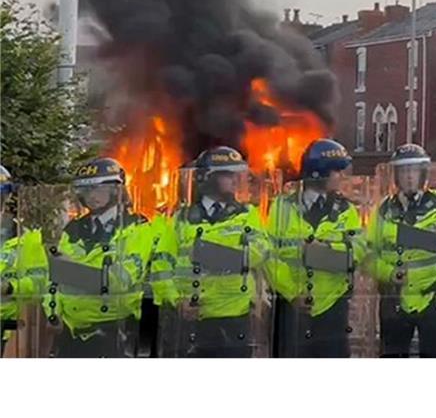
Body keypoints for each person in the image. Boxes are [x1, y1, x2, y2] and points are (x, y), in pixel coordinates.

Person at [152, 146, 270, 357]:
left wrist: (209, 253)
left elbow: (259, 252)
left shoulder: (247, 214)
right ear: (207, 178)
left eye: (236, 174)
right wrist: (176, 300)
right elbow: (161, 263)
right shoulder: (181, 218)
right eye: (227, 174)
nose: (235, 180)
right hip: (192, 314)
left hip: (236, 313)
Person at [43, 157, 155, 357]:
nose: (92, 195)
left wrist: (71, 271)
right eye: (86, 190)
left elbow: (120, 281)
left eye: (98, 189)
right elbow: (53, 280)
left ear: (116, 190)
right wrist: (52, 313)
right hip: (70, 332)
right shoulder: (73, 229)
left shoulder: (138, 227)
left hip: (116, 332)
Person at [268, 138, 364, 357]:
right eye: (336, 171)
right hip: (292, 309)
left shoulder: (346, 210)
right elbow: (270, 257)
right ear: (317, 173)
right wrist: (292, 293)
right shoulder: (282, 208)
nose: (341, 177)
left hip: (333, 307)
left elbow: (358, 252)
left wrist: (323, 250)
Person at [367, 143, 436, 357]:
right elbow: (368, 255)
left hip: (433, 297)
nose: (409, 177)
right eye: (404, 171)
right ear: (396, 176)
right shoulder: (383, 210)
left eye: (414, 171)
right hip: (395, 298)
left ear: (423, 174)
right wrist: (390, 273)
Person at [1, 164, 47, 356]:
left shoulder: (25, 238)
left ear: (5, 197)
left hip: (9, 332)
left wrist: (10, 287)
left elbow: (40, 282)